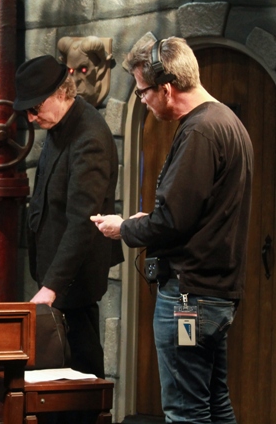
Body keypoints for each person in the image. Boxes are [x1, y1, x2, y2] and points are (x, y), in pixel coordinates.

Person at [92, 37, 254, 424]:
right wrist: (147, 220)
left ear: (166, 88)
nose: (142, 100)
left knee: (186, 410)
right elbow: (193, 214)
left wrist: (124, 228)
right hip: (214, 295)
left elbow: (173, 222)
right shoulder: (226, 122)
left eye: (143, 91)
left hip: (189, 301)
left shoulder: (201, 131)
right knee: (214, 403)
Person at [13, 54, 122, 381]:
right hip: (56, 275)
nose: (31, 118)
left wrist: (52, 287)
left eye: (35, 108)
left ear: (61, 93)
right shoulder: (59, 124)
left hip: (74, 279)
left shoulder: (89, 137)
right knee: (58, 373)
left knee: (82, 371)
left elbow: (82, 221)